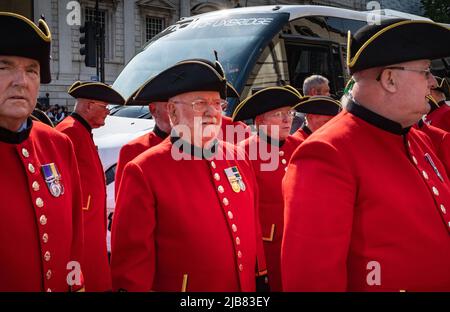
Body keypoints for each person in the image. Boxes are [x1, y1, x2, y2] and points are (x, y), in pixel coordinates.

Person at [282, 19, 450, 291]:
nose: (432, 82)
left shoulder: (416, 138)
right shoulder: (327, 152)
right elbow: (313, 280)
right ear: (390, 79)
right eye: (426, 72)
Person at [111, 59, 268, 292]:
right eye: (199, 103)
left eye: (217, 103)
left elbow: (252, 225)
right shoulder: (144, 170)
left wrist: (259, 275)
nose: (212, 112)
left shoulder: (238, 157)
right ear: (172, 112)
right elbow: (132, 267)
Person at [0, 12, 84, 291]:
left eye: (32, 70)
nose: (20, 81)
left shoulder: (57, 145)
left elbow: (74, 243)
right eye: (4, 67)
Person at [232, 86, 303, 291]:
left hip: (298, 241)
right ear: (260, 121)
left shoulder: (300, 146)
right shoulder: (242, 153)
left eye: (290, 113)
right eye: (278, 114)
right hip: (266, 247)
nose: (287, 120)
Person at [56, 81, 124, 291]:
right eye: (104, 107)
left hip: (91, 226)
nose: (107, 113)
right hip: (81, 228)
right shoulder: (69, 131)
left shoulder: (80, 131)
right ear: (88, 105)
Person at [115, 100, 171, 197]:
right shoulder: (133, 150)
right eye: (169, 107)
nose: (177, 112)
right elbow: (125, 202)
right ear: (153, 109)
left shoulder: (196, 146)